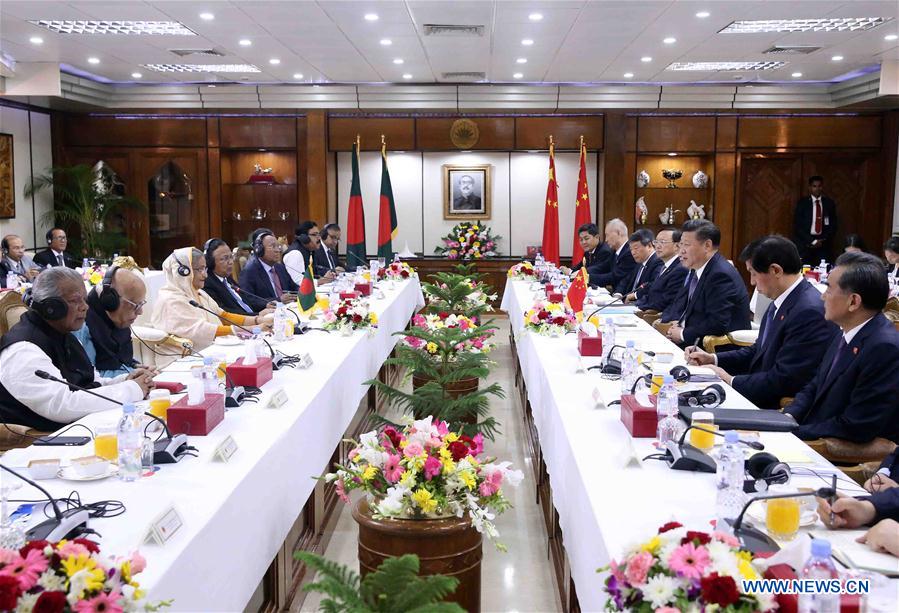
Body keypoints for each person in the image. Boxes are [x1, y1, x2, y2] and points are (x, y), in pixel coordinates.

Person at [686, 236, 837, 410]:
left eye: (754, 273)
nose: (751, 282)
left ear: (775, 270)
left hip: (775, 405)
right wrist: (713, 358)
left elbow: (785, 379)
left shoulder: (808, 311)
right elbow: (759, 351)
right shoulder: (782, 301)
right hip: (758, 390)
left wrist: (729, 379)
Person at [0, 267, 153, 431]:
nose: (85, 307)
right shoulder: (22, 350)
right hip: (39, 442)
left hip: (80, 428)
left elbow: (91, 384)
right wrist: (132, 389)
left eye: (85, 300)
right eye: (75, 301)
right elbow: (62, 405)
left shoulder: (66, 336)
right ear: (51, 306)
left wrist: (125, 381)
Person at [785, 252, 899, 443]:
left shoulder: (884, 348)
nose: (822, 297)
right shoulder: (846, 330)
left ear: (853, 301)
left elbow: (855, 426)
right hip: (810, 434)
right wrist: (787, 418)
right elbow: (815, 385)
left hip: (833, 452)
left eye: (829, 289)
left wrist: (793, 434)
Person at [151, 247, 272, 352]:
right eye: (200, 269)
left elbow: (223, 316)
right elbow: (201, 331)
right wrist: (251, 330)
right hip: (182, 359)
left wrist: (258, 320)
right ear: (183, 272)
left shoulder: (199, 293)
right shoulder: (171, 300)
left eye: (205, 269)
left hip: (209, 351)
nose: (205, 275)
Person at [661, 220, 751, 348]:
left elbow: (717, 324)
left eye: (686, 245)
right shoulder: (698, 269)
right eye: (680, 245)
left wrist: (683, 334)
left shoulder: (720, 275)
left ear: (707, 245)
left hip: (716, 349)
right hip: (696, 340)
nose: (681, 251)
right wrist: (681, 324)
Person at [72, 266, 147, 378]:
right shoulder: (82, 326)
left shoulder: (117, 319)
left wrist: (136, 367)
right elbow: (90, 376)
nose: (140, 312)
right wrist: (133, 375)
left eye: (141, 305)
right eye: (135, 306)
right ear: (111, 302)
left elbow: (117, 358)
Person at [202, 238, 275, 316]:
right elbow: (224, 313)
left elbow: (246, 300)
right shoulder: (207, 284)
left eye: (231, 257)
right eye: (225, 258)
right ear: (210, 262)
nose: (230, 262)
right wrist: (257, 316)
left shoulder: (226, 279)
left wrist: (265, 304)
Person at [238, 231, 299, 311]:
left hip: (290, 310)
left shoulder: (279, 267)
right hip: (268, 315)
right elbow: (249, 300)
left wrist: (305, 292)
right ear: (260, 250)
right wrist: (278, 300)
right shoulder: (249, 271)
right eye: (273, 246)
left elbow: (294, 287)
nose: (278, 250)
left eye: (278, 246)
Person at [635, 228, 687, 314]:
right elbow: (652, 294)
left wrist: (638, 308)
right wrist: (634, 305)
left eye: (662, 242)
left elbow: (665, 301)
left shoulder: (679, 269)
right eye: (656, 242)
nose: (658, 246)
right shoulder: (664, 266)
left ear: (677, 246)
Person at [793, 175, 837, 264]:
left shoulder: (829, 203)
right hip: (805, 243)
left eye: (819, 186)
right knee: (804, 270)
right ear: (810, 187)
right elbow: (797, 226)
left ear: (822, 187)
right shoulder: (803, 203)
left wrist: (822, 240)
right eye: (814, 186)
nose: (817, 189)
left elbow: (833, 225)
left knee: (823, 270)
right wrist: (812, 241)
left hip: (823, 244)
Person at [592, 218, 637, 295]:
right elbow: (602, 267)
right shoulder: (615, 251)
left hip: (624, 296)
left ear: (619, 233)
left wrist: (588, 277)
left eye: (607, 235)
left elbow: (615, 276)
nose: (606, 240)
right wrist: (583, 272)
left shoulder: (629, 252)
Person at [623, 229, 663, 304]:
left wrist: (635, 295)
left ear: (649, 245)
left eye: (636, 248)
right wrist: (618, 294)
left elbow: (653, 285)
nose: (633, 252)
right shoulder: (640, 263)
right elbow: (626, 280)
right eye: (631, 249)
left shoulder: (658, 262)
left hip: (642, 306)